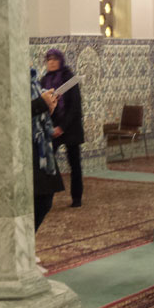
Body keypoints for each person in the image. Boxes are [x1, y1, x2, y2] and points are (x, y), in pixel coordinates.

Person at [40, 49, 85, 207]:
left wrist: (62, 127)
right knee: (47, 163)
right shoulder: (44, 80)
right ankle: (46, 196)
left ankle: (77, 198)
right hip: (52, 129)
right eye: (48, 59)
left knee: (74, 163)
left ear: (60, 60)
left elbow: (74, 107)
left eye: (54, 59)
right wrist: (50, 127)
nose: (51, 62)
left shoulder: (69, 79)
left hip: (70, 127)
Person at [31, 67, 64, 232]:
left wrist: (48, 105)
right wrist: (41, 103)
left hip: (41, 147)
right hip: (26, 147)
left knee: (45, 199)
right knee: (40, 200)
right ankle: (24, 243)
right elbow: (10, 112)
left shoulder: (32, 80)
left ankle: (26, 242)